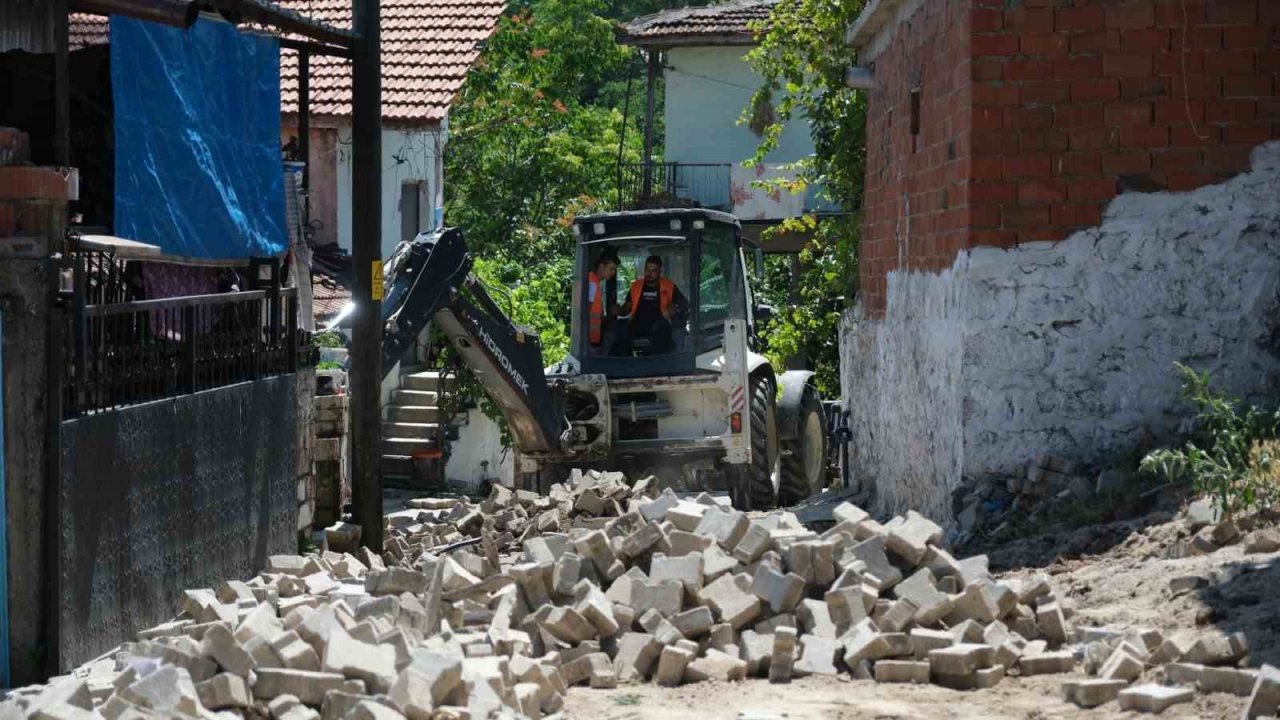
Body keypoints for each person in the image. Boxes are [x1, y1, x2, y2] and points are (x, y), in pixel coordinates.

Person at [626, 254, 687, 354]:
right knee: (621, 328)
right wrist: (620, 310)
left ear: (660, 272)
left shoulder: (669, 285)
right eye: (647, 270)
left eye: (653, 270)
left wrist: (673, 309)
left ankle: (658, 360)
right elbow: (627, 307)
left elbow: (684, 305)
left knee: (662, 329)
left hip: (660, 324)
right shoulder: (636, 286)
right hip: (638, 323)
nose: (649, 273)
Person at [587, 250, 619, 352]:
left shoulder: (595, 282)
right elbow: (585, 312)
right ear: (601, 267)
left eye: (614, 270)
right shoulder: (592, 284)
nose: (613, 273)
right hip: (589, 340)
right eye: (611, 269)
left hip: (593, 338)